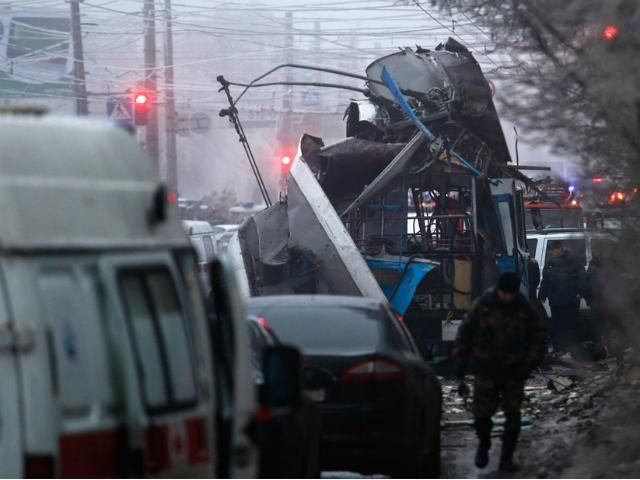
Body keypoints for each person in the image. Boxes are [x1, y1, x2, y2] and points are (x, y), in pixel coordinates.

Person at [453, 272, 547, 472]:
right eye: (504, 293)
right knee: (481, 415)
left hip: (514, 370)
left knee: (513, 415)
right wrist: (461, 363)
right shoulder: (484, 305)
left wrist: (529, 364)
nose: (507, 298)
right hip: (486, 369)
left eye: (510, 294)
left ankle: (506, 458)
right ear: (499, 290)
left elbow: (538, 336)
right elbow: (465, 333)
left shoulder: (523, 308)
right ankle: (484, 445)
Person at [539, 243, 585, 352]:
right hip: (555, 301)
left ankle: (574, 348)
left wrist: (580, 292)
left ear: (559, 249)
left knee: (571, 325)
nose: (551, 253)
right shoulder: (550, 263)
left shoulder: (572, 261)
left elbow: (582, 277)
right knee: (558, 326)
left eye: (552, 251)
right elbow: (545, 280)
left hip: (570, 299)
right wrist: (542, 295)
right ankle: (559, 348)